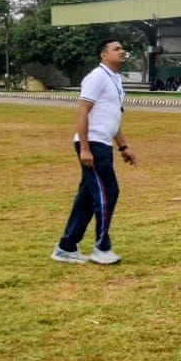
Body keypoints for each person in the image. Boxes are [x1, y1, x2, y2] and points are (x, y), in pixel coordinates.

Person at [52, 38, 139, 265]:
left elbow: (113, 117)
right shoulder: (96, 77)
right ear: (104, 55)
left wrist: (123, 146)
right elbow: (83, 112)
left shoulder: (116, 80)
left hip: (104, 144)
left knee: (89, 197)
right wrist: (85, 148)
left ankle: (66, 247)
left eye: (123, 47)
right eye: (116, 49)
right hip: (92, 144)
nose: (122, 51)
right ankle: (102, 247)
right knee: (108, 192)